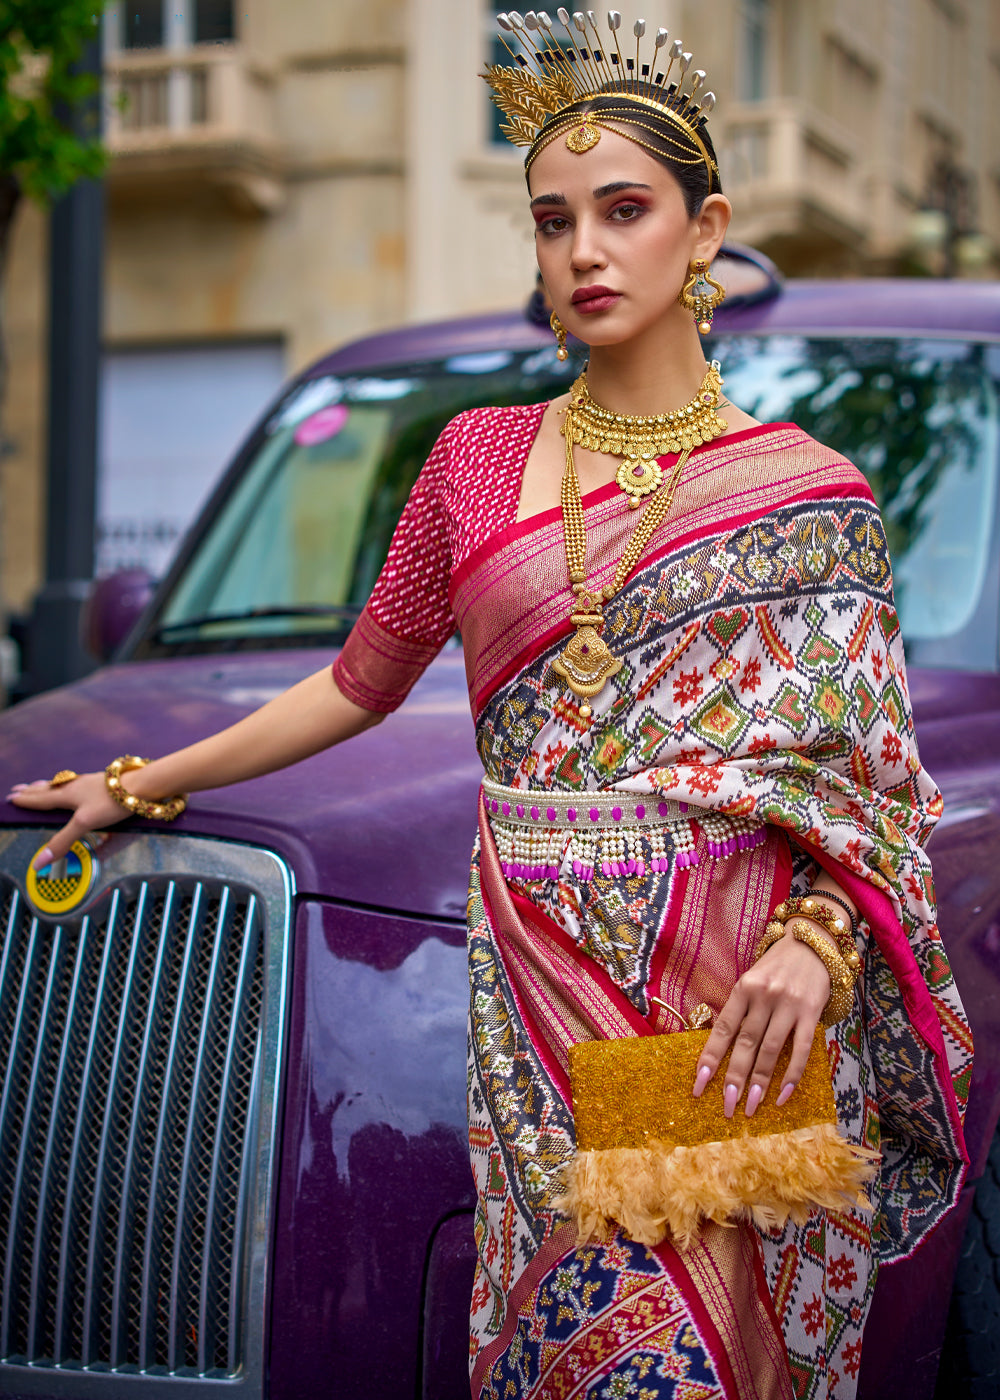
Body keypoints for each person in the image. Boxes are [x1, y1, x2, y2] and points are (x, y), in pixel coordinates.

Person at [10, 11, 970, 1398]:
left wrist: (823, 944)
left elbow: (871, 778)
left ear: (705, 234)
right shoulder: (473, 463)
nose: (584, 250)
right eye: (553, 220)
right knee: (565, 1339)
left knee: (708, 1356)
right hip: (535, 994)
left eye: (625, 211)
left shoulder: (814, 496)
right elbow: (356, 684)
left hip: (735, 994)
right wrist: (141, 780)